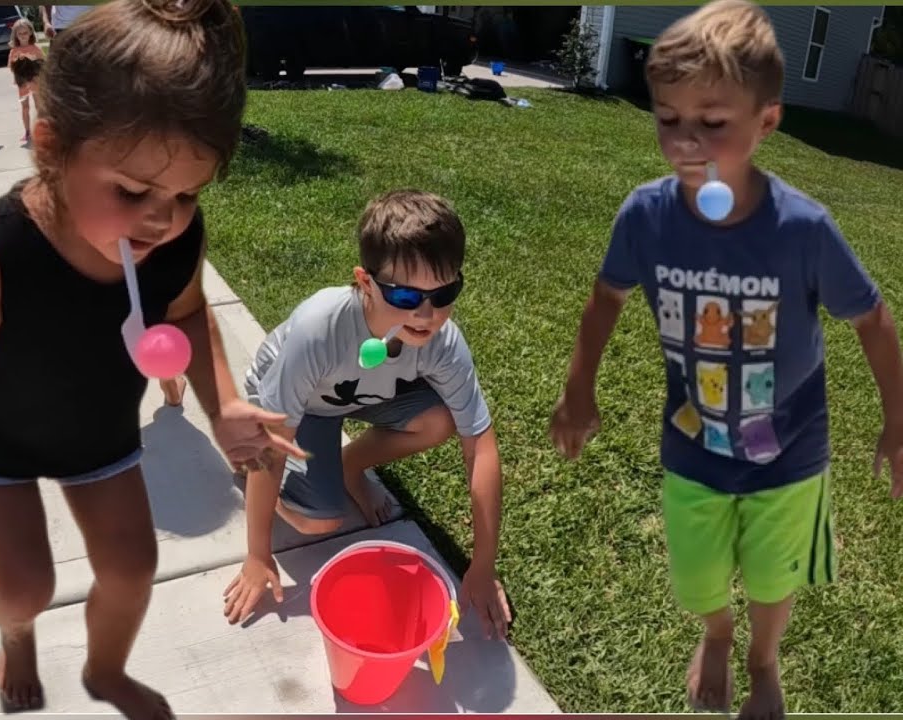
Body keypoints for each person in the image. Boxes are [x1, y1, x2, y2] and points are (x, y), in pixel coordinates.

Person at [0, 0, 302, 714]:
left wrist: (224, 406)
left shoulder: (176, 236)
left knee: (132, 567)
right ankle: (17, 635)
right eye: (132, 191)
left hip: (98, 426)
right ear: (53, 147)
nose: (163, 217)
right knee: (19, 586)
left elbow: (184, 310)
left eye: (187, 193)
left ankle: (104, 669)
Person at [548, 1, 903, 717]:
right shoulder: (645, 216)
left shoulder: (801, 229)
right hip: (693, 446)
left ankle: (762, 657)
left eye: (712, 122)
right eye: (667, 117)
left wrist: (896, 422)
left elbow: (871, 317)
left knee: (774, 579)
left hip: (792, 452)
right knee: (699, 577)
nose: (684, 141)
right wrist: (578, 386)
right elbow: (606, 299)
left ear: (765, 123)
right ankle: (715, 633)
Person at [222, 190, 513, 641]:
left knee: (441, 420)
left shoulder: (442, 340)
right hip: (299, 405)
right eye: (403, 294)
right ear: (364, 282)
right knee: (319, 519)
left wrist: (483, 564)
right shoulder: (320, 329)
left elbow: (481, 445)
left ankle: (348, 466)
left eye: (444, 293)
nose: (426, 314)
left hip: (363, 391)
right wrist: (259, 555)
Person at [6, 18, 44, 144]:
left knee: (39, 106)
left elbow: (43, 64)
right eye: (20, 33)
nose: (23, 36)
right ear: (15, 35)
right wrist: (17, 60)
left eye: (25, 33)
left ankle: (41, 130)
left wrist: (33, 59)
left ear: (31, 33)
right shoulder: (14, 51)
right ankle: (27, 131)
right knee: (25, 107)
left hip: (36, 82)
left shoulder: (35, 48)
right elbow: (11, 67)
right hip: (22, 83)